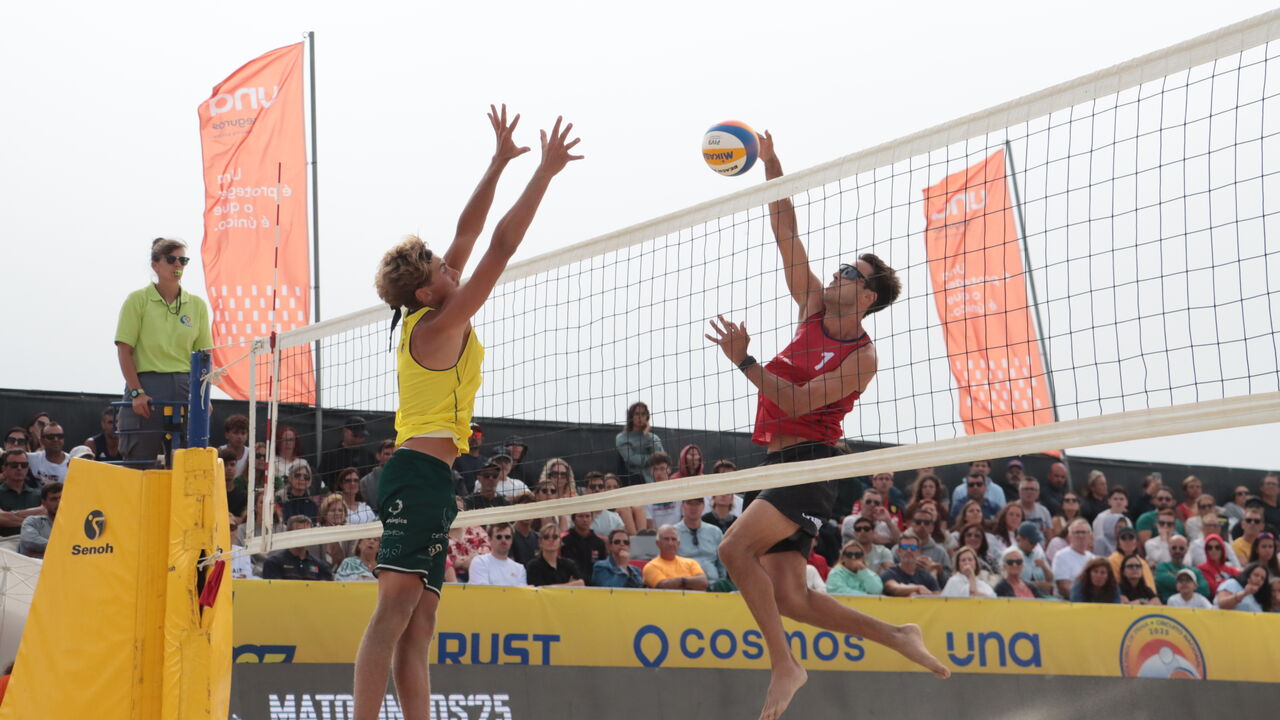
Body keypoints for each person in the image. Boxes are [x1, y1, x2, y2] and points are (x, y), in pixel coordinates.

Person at [705, 131, 947, 720]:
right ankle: (897, 634)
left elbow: (796, 401)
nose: (835, 275)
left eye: (849, 272)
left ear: (866, 296)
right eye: (839, 268)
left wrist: (744, 360)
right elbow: (785, 232)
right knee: (790, 596)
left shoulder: (862, 357)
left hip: (811, 464)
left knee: (735, 550)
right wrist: (773, 166)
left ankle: (784, 665)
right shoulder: (813, 305)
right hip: (780, 463)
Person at [352, 107, 580, 720]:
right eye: (441, 268)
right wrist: (545, 175)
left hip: (431, 477)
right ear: (426, 292)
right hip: (416, 475)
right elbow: (500, 247)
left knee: (419, 623)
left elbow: (469, 230)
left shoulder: (430, 304)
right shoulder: (438, 322)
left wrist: (501, 161)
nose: (452, 265)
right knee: (392, 614)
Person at [114, 237, 213, 465]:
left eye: (183, 260)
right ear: (155, 264)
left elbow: (204, 355)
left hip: (186, 386)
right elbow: (124, 350)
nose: (178, 265)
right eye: (171, 259)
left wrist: (203, 395)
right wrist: (137, 392)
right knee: (138, 463)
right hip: (146, 385)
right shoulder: (137, 300)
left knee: (192, 463)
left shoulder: (197, 305)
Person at [261, 515, 334, 580]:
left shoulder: (322, 566)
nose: (304, 536)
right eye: (300, 532)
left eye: (307, 532)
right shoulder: (273, 563)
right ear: (289, 534)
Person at [642, 524, 708, 590]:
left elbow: (703, 582)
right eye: (666, 539)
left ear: (678, 544)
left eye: (673, 539)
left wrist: (681, 582)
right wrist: (690, 583)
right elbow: (664, 586)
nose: (670, 543)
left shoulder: (691, 562)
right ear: (658, 543)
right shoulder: (651, 566)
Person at [319, 417, 376, 492]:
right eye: (355, 435)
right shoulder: (330, 456)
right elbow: (322, 480)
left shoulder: (369, 456)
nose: (358, 439)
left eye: (362, 436)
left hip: (363, 499)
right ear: (345, 431)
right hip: (337, 498)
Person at [615, 401, 664, 485]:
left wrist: (647, 436)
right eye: (637, 414)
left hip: (656, 480)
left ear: (647, 417)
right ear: (631, 416)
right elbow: (632, 459)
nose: (640, 417)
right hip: (633, 480)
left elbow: (660, 458)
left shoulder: (653, 437)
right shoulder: (622, 438)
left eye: (643, 414)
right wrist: (652, 459)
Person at [880, 529, 940, 597]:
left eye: (913, 547)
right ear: (899, 551)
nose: (909, 550)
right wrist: (918, 588)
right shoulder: (889, 573)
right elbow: (895, 588)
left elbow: (937, 596)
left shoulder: (926, 576)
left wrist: (918, 595)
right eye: (905, 547)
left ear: (918, 551)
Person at [677, 497, 724, 582]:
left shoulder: (715, 532)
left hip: (714, 584)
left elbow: (722, 563)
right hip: (685, 584)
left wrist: (722, 582)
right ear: (682, 506)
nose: (693, 507)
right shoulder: (673, 533)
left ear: (703, 506)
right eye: (690, 503)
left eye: (697, 504)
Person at [1153, 535, 1210, 603]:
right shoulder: (1162, 567)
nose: (1177, 551)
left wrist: (1179, 585)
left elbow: (1205, 591)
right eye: (1174, 548)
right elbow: (1163, 581)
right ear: (1168, 548)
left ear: (1187, 550)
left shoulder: (1196, 571)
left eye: (1181, 548)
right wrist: (1190, 586)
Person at [0, 449, 44, 537]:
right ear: (4, 468)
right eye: (14, 465)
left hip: (34, 542)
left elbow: (45, 513)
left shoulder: (39, 494)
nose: (19, 468)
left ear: (28, 468)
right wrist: (34, 517)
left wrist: (10, 515)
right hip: (4, 544)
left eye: (24, 465)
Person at [1051, 519, 1096, 598]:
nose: (1081, 536)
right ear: (1069, 536)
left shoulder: (1093, 559)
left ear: (1090, 536)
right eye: (1077, 532)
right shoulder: (1061, 556)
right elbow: (1063, 588)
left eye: (1084, 532)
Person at [560, 511, 607, 584]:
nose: (585, 520)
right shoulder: (566, 541)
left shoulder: (599, 543)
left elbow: (602, 566)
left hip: (595, 585)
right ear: (574, 519)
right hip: (573, 584)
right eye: (581, 516)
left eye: (587, 516)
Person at [17, 481, 61, 557]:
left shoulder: (76, 523)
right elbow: (29, 541)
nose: (59, 502)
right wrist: (67, 550)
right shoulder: (32, 521)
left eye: (62, 498)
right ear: (44, 503)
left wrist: (43, 552)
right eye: (54, 499)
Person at [25, 421, 69, 486]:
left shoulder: (73, 462)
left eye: (60, 436)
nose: (56, 439)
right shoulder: (32, 458)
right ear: (41, 440)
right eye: (50, 436)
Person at [358, 440, 396, 513]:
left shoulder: (406, 477)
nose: (391, 457)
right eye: (387, 454)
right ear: (378, 456)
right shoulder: (365, 482)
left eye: (394, 454)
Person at [272, 425, 311, 490]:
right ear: (278, 441)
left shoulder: (303, 463)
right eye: (285, 439)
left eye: (291, 440)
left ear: (295, 442)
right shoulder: (272, 461)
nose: (288, 443)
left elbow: (309, 483)